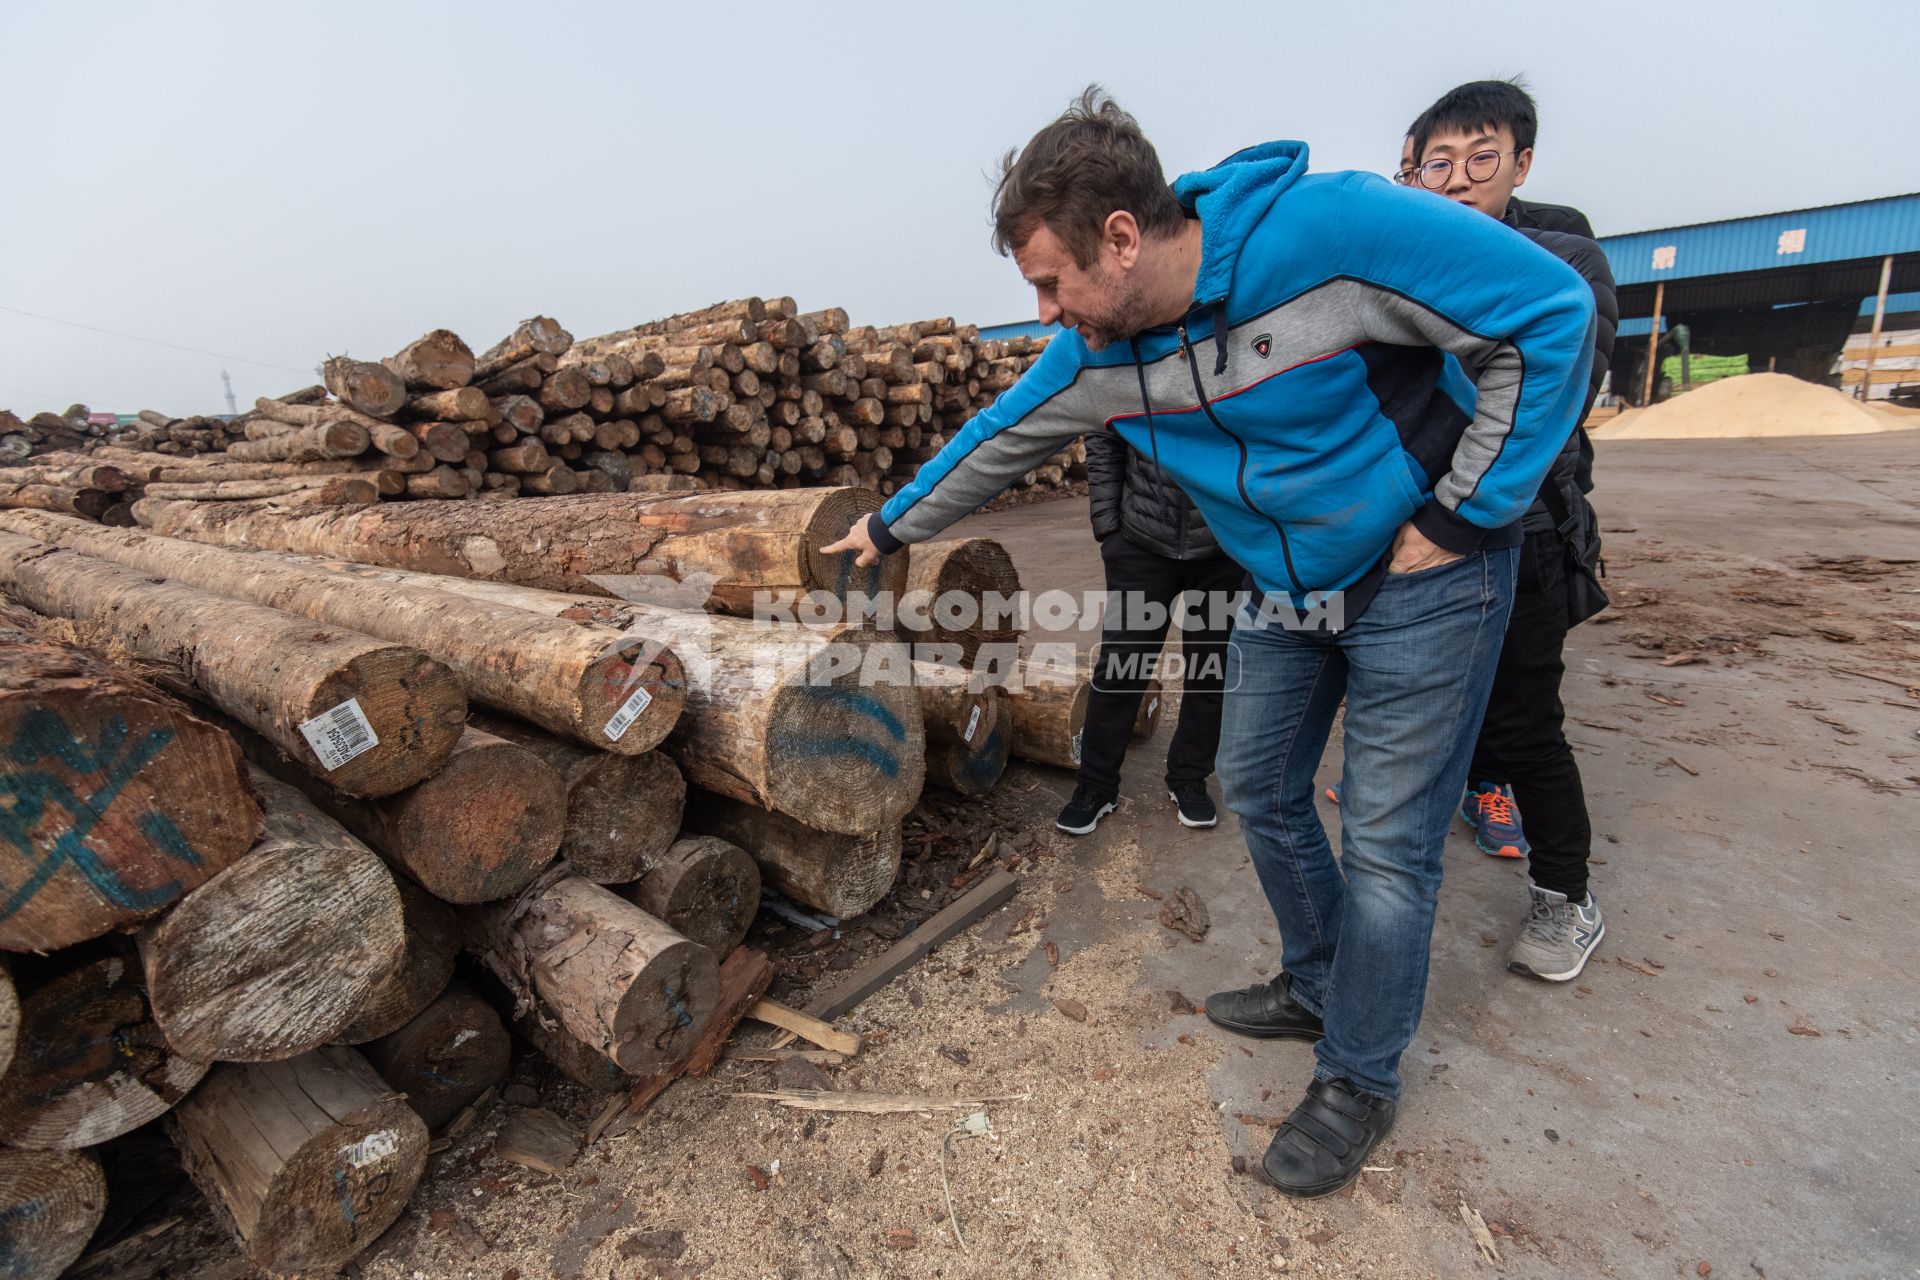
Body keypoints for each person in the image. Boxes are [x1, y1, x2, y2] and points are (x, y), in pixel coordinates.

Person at [823, 87, 1596, 1198]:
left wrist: (1466, 511)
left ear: (1122, 237)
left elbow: (1551, 313)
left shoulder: (1330, 232)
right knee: (1258, 780)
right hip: (1285, 588)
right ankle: (1325, 978)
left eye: (1051, 280)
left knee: (1386, 842)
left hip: (1426, 577)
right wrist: (889, 523)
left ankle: (1359, 1075)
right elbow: (996, 438)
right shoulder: (1100, 350)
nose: (1044, 311)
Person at [1405, 79, 1619, 981]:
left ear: (1520, 163)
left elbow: (1554, 393)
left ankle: (1567, 897)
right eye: (1435, 164)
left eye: (1479, 159)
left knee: (1528, 717)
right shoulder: (1398, 260)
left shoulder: (1563, 260)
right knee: (1420, 703)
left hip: (1517, 533)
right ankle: (1465, 789)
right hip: (1412, 535)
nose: (1456, 181)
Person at [1058, 430, 1246, 835]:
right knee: (1120, 669)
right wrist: (1109, 529)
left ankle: (1189, 778)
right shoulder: (1133, 364)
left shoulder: (1237, 365)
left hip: (1222, 548)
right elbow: (1104, 437)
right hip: (1141, 542)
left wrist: (1248, 525)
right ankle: (1096, 786)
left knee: (1210, 670)